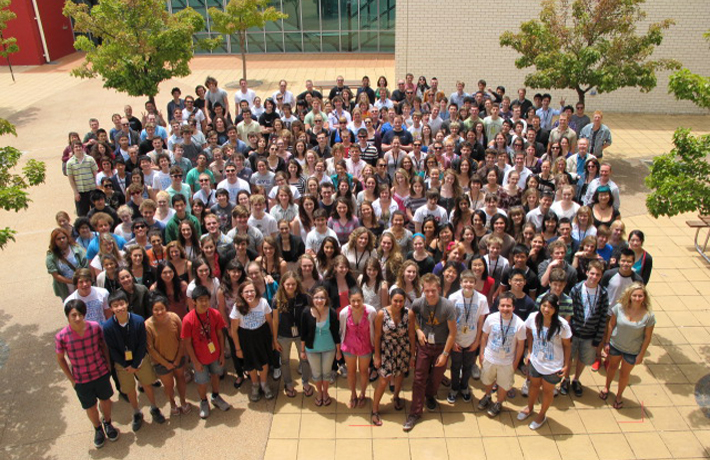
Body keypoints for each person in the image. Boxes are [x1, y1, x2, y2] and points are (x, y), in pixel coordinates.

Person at [56, 299, 120, 448]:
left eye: (80, 314)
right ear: (68, 316)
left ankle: (108, 423)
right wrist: (72, 380)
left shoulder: (95, 327)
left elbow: (103, 345)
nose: (77, 318)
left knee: (106, 401)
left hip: (100, 373)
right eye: (73, 315)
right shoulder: (61, 337)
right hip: (81, 379)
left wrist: (107, 365)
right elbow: (60, 359)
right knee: (90, 407)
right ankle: (98, 428)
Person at [103, 291, 166, 431]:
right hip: (122, 365)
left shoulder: (138, 320)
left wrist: (136, 363)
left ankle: (154, 407)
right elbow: (112, 349)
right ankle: (136, 412)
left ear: (127, 304)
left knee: (147, 384)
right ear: (111, 308)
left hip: (140, 360)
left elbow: (142, 343)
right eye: (115, 305)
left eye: (121, 304)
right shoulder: (108, 327)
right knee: (130, 389)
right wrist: (127, 365)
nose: (119, 308)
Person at [403, 273, 456, 432]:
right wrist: (418, 331)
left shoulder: (447, 306)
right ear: (423, 290)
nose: (430, 294)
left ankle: (430, 395)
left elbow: (453, 333)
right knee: (419, 378)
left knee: (436, 377)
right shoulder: (419, 303)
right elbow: (412, 319)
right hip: (424, 346)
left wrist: (445, 354)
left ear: (439, 289)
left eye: (433, 290)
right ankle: (415, 412)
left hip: (441, 346)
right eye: (427, 291)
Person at [517, 293, 572, 430]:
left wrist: (566, 365)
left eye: (550, 307)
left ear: (556, 309)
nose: (546, 309)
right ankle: (529, 408)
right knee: (534, 386)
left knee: (548, 391)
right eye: (544, 305)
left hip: (553, 366)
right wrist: (529, 352)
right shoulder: (533, 317)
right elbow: (529, 333)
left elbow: (567, 346)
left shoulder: (562, 325)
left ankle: (542, 414)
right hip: (536, 362)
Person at [600, 283, 655, 409]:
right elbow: (611, 325)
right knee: (612, 367)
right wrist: (607, 342)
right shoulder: (619, 308)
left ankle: (619, 395)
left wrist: (641, 354)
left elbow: (647, 337)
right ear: (629, 296)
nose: (637, 298)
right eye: (634, 295)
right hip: (616, 345)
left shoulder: (649, 316)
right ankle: (606, 387)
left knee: (624, 374)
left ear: (644, 297)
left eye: (640, 296)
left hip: (632, 350)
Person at [181, 285, 231, 419]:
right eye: (200, 300)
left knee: (215, 375)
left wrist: (221, 354)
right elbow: (187, 343)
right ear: (194, 301)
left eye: (206, 300)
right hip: (199, 358)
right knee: (202, 382)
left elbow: (220, 334)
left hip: (215, 355)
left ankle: (216, 396)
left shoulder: (215, 314)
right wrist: (195, 362)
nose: (204, 303)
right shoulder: (188, 320)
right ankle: (204, 401)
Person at [561, 260, 609, 396]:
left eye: (598, 274)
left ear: (601, 276)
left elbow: (602, 318)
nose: (594, 277)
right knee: (568, 357)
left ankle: (576, 379)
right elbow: (569, 313)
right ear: (587, 273)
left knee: (583, 358)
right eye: (592, 273)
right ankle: (566, 379)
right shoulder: (576, 289)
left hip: (590, 334)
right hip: (574, 332)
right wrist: (567, 333)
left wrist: (598, 339)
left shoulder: (603, 294)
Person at [477, 291, 526, 418]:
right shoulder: (491, 318)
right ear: (498, 306)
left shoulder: (519, 324)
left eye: (508, 306)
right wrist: (481, 354)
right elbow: (484, 336)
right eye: (502, 305)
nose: (505, 309)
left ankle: (499, 402)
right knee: (488, 380)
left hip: (507, 361)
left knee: (504, 384)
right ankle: (487, 396)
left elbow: (521, 345)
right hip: (490, 357)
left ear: (513, 307)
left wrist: (515, 362)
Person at [371, 288, 416, 426]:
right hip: (387, 350)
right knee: (383, 381)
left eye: (401, 301)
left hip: (402, 350)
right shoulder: (381, 314)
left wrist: (412, 356)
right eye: (395, 301)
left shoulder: (409, 314)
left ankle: (396, 396)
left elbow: (411, 335)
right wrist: (377, 356)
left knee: (399, 375)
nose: (398, 304)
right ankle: (374, 409)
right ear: (390, 299)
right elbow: (378, 336)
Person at [447, 270, 489, 404]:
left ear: (475, 283)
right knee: (455, 366)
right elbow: (449, 322)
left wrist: (477, 341)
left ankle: (464, 387)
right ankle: (454, 388)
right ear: (460, 283)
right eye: (465, 281)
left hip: (471, 339)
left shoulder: (482, 299)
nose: (468, 284)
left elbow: (481, 321)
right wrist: (452, 341)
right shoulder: (453, 298)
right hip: (457, 339)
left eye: (471, 282)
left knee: (468, 366)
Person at [230, 279, 276, 402]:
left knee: (264, 362)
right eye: (246, 292)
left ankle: (264, 383)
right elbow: (234, 330)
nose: (250, 294)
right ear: (241, 294)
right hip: (246, 338)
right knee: (250, 364)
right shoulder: (237, 307)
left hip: (262, 335)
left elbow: (270, 322)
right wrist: (237, 348)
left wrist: (273, 340)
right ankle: (255, 385)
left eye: (252, 291)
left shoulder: (263, 303)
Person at [145, 292, 190, 416]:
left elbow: (182, 338)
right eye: (156, 309)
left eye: (162, 309)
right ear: (151, 310)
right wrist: (166, 363)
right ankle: (172, 404)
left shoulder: (174, 317)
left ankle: (183, 401)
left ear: (166, 308)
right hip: (161, 363)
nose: (159, 312)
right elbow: (150, 348)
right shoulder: (148, 325)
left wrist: (176, 359)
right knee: (168, 385)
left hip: (178, 358)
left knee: (180, 379)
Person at [272, 272, 313, 398]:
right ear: (283, 284)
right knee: (284, 361)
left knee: (304, 360)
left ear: (297, 284)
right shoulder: (277, 299)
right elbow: (275, 321)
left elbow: (309, 317)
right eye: (288, 284)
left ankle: (306, 383)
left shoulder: (304, 298)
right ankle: (288, 384)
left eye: (293, 284)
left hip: (300, 335)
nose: (290, 287)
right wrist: (275, 340)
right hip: (284, 336)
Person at [300, 286, 341, 407]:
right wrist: (302, 351)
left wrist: (338, 351)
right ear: (312, 298)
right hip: (312, 349)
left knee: (326, 373)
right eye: (317, 297)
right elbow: (303, 334)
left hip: (329, 348)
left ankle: (325, 393)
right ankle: (319, 393)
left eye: (322, 297)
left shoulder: (332, 312)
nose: (319, 300)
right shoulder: (306, 312)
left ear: (326, 299)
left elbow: (335, 333)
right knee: (317, 374)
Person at [339, 288, 377, 409]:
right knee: (351, 372)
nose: (356, 304)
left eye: (359, 301)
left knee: (364, 371)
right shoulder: (344, 313)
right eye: (353, 301)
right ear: (349, 300)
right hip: (349, 346)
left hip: (365, 346)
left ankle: (363, 394)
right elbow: (342, 330)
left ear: (363, 299)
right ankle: (353, 394)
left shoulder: (371, 312)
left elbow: (375, 331)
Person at [47, 227, 89, 301]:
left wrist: (80, 282)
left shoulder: (78, 250)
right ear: (54, 241)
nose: (62, 240)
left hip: (82, 284)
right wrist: (72, 282)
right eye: (58, 239)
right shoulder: (51, 256)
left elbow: (85, 265)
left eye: (63, 237)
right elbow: (56, 275)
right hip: (65, 287)